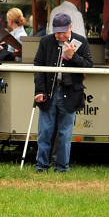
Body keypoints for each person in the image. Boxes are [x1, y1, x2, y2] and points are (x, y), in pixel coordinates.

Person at [34, 13, 93, 172]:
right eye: (57, 32)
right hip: (49, 91)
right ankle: (41, 166)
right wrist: (39, 90)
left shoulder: (81, 41)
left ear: (71, 27)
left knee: (65, 133)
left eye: (63, 32)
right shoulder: (46, 41)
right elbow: (38, 67)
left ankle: (62, 167)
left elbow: (88, 65)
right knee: (44, 131)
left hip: (70, 92)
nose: (60, 35)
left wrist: (73, 56)